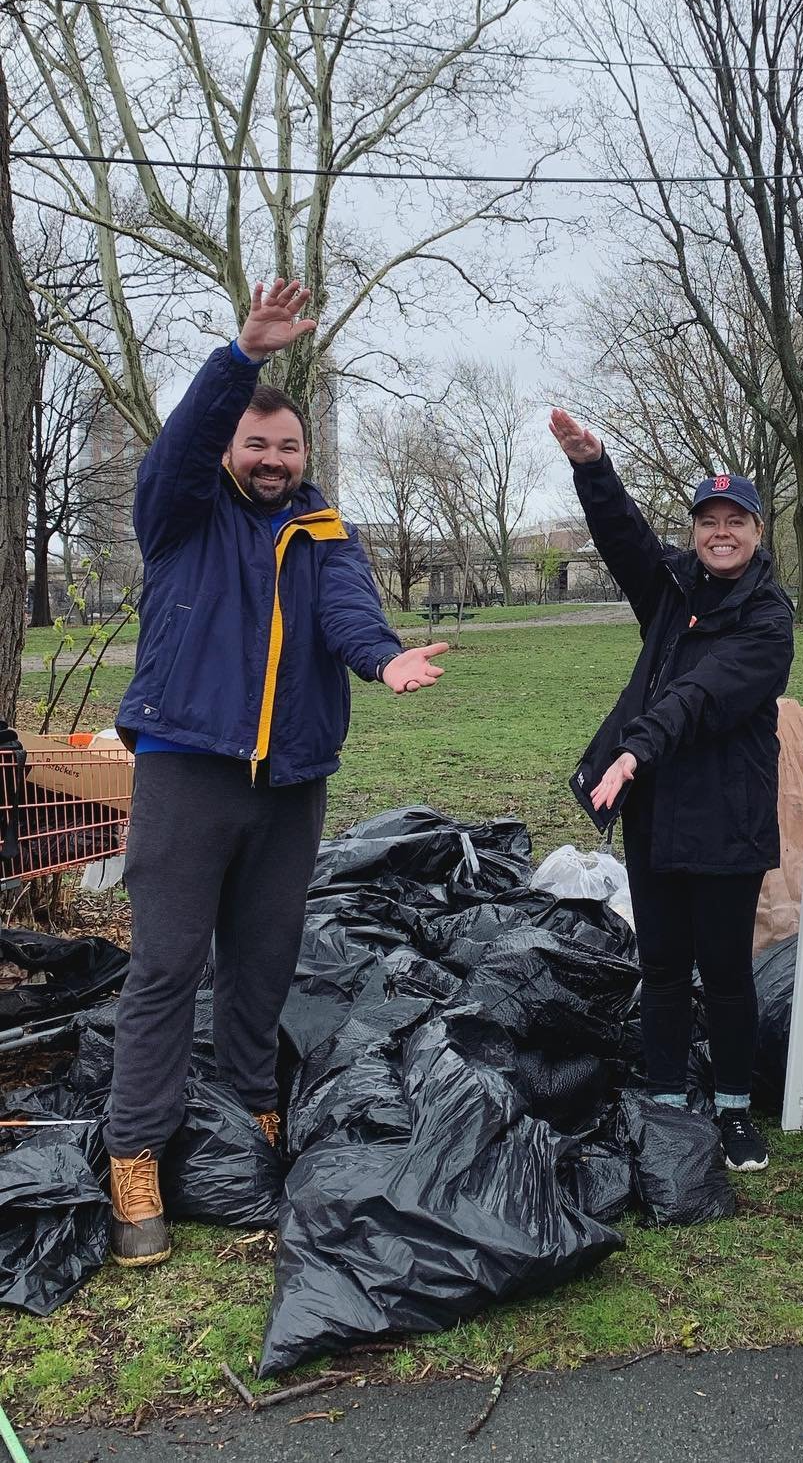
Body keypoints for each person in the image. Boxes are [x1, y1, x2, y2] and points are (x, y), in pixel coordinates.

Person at [107, 279, 448, 1267]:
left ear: (306, 456)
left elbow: (348, 611)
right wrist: (243, 356)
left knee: (261, 965)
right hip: (186, 769)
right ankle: (134, 1154)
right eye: (255, 443)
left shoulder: (327, 529)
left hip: (290, 780)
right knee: (167, 967)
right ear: (228, 449)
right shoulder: (180, 511)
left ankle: (254, 1115)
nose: (271, 459)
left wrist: (384, 658)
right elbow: (182, 442)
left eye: (287, 446)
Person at [550, 410, 795, 1171]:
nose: (720, 532)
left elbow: (703, 692)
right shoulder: (671, 587)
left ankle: (731, 1108)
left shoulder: (769, 616)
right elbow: (624, 538)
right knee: (659, 962)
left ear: (757, 530)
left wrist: (635, 747)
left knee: (723, 968)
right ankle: (664, 1096)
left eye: (736, 521)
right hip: (657, 807)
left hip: (727, 813)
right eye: (708, 520)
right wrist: (594, 465)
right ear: (696, 529)